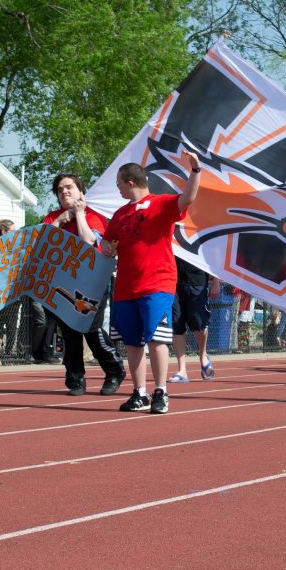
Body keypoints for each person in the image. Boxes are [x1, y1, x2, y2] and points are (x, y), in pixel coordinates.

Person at [101, 155, 202, 414]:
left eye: (119, 184)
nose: (118, 189)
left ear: (131, 182)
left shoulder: (161, 203)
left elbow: (188, 197)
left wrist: (195, 169)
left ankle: (161, 391)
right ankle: (139, 392)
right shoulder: (119, 214)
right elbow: (107, 243)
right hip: (125, 286)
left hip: (157, 283)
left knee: (157, 339)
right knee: (132, 342)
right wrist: (107, 248)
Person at [41, 173, 126, 396]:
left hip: (92, 282)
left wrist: (79, 214)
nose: (64, 192)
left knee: (92, 330)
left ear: (81, 191)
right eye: (60, 190)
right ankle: (75, 379)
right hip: (63, 283)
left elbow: (88, 241)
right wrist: (60, 221)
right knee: (69, 333)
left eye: (69, 187)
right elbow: (42, 243)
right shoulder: (52, 218)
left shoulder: (94, 215)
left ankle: (114, 370)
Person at [169, 259, 218, 383]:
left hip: (198, 280)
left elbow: (215, 252)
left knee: (199, 324)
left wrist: (216, 281)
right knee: (176, 324)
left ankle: (203, 355)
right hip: (174, 279)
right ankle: (182, 370)